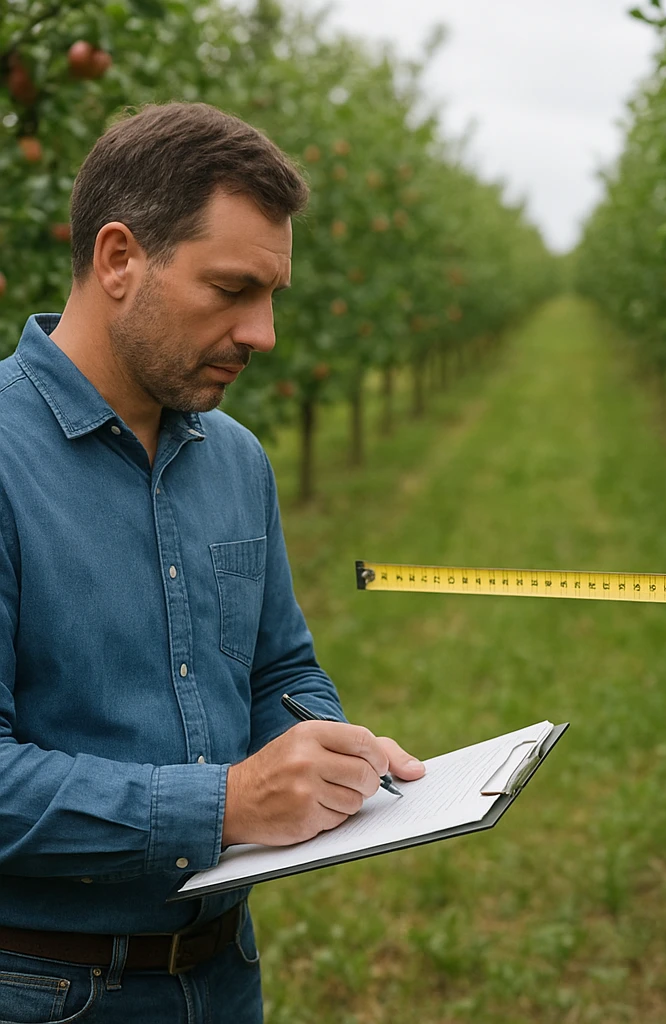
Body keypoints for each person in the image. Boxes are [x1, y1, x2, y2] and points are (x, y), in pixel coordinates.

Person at [0, 101, 425, 1022]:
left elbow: (279, 666)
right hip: (45, 988)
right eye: (232, 290)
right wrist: (227, 804)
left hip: (224, 975)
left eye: (272, 296)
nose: (263, 333)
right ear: (119, 260)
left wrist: (332, 747)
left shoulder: (236, 460)